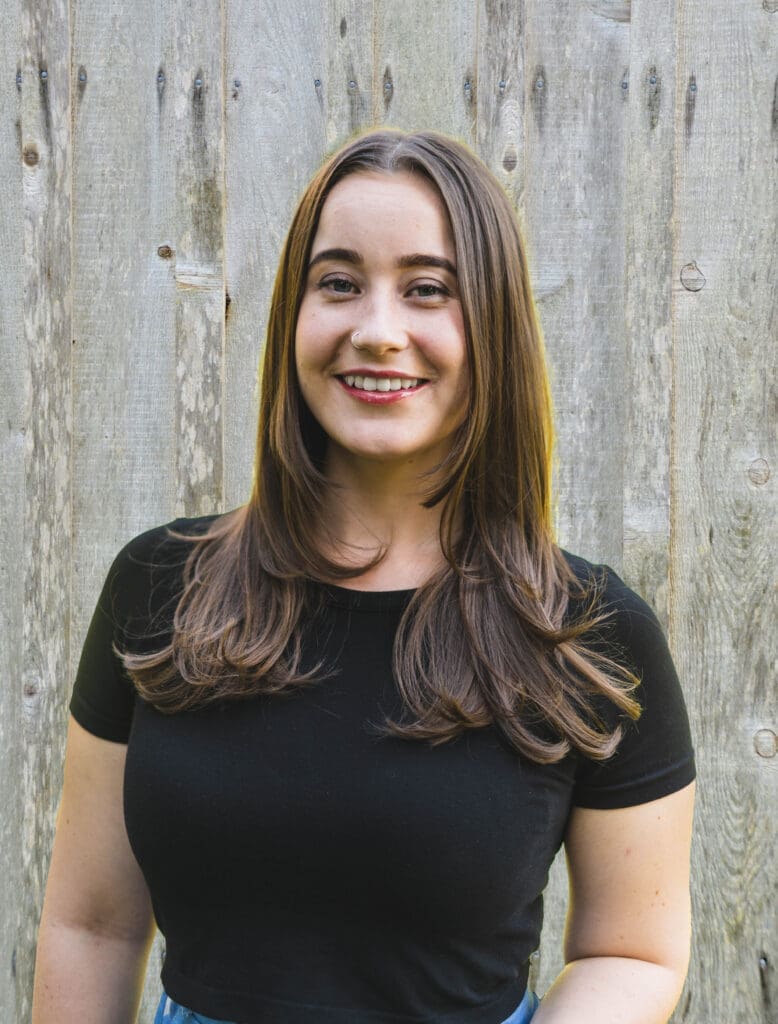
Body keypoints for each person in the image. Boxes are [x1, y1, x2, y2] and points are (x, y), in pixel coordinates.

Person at [32, 129, 696, 1024]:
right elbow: (92, 928)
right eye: (338, 283)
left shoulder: (588, 633)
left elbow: (634, 950)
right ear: (293, 316)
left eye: (428, 290)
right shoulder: (160, 588)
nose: (377, 332)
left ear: (493, 323)